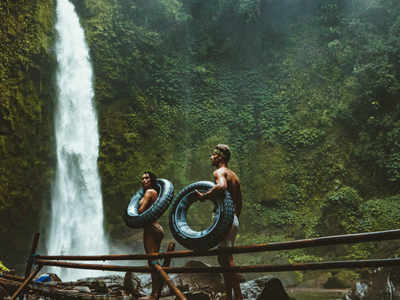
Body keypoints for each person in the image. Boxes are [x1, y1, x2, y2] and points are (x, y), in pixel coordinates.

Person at [195, 144, 243, 300]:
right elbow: (240, 202)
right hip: (233, 219)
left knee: (227, 259)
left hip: (224, 219)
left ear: (220, 157)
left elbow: (221, 186)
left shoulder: (219, 172)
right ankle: (229, 295)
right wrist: (233, 219)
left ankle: (238, 297)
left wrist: (205, 196)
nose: (211, 157)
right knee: (223, 259)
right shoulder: (234, 176)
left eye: (213, 155)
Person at [138, 171, 164, 300]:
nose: (144, 180)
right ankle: (157, 291)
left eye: (147, 178)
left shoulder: (149, 192)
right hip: (157, 228)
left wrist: (139, 206)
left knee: (152, 261)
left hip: (150, 229)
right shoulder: (155, 193)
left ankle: (154, 295)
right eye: (142, 178)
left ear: (152, 180)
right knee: (155, 260)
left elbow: (141, 210)